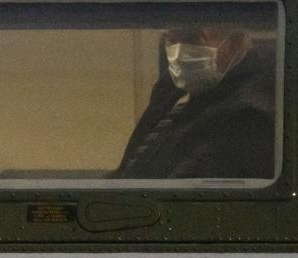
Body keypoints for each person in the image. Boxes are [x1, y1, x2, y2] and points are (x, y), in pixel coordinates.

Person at [115, 26, 275, 179]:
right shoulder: (170, 87)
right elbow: (129, 167)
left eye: (192, 39)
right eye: (171, 39)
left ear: (236, 42)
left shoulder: (251, 112)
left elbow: (187, 186)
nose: (179, 52)